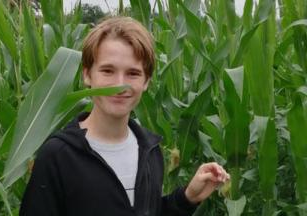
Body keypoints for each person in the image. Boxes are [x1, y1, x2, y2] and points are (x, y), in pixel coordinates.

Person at [20, 16, 230, 216]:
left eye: (133, 73)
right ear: (87, 75)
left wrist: (187, 198)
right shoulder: (58, 156)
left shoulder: (150, 150)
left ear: (146, 81)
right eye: (108, 71)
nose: (120, 85)